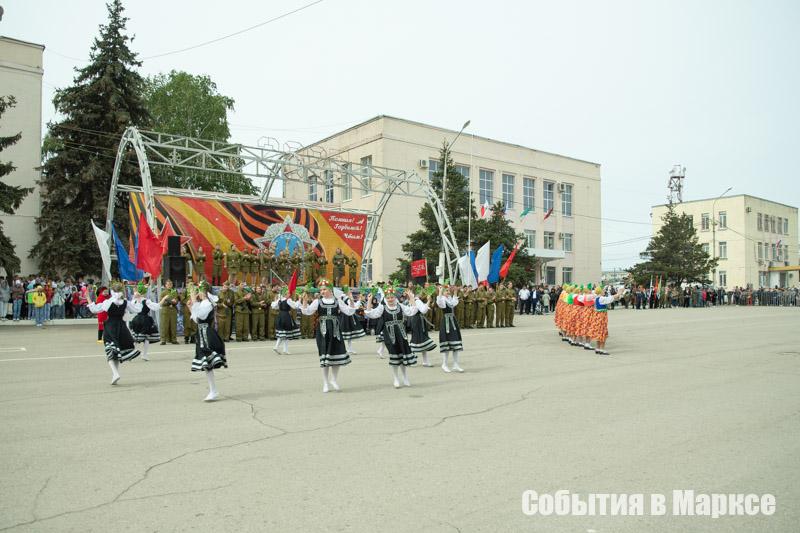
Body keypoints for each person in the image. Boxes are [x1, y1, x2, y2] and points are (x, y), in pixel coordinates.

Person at [300, 280, 357, 393]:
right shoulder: (318, 301)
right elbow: (307, 312)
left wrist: (351, 300)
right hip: (323, 332)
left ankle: (334, 380)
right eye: (321, 290)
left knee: (337, 356)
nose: (322, 291)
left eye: (324, 289)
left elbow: (349, 312)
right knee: (325, 358)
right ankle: (325, 383)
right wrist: (305, 302)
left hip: (336, 332)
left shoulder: (337, 301)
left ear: (330, 290)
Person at [364, 287, 421, 388]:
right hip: (389, 335)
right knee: (394, 355)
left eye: (392, 297)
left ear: (395, 297)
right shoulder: (383, 307)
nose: (390, 299)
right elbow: (371, 314)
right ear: (386, 298)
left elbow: (412, 311)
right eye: (388, 297)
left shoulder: (400, 306)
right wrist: (369, 300)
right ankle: (396, 378)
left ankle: (405, 377)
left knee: (403, 355)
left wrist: (411, 298)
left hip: (401, 334)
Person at [87, 282, 142, 385]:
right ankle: (115, 374)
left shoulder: (109, 302)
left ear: (112, 291)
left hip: (111, 327)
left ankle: (115, 373)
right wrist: (138, 299)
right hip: (121, 327)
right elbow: (137, 309)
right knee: (116, 351)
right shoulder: (125, 302)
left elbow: (95, 309)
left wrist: (88, 298)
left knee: (110, 350)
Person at [188, 281, 227, 401]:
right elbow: (197, 319)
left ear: (203, 292)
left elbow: (202, 316)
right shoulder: (203, 303)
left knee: (207, 363)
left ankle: (213, 391)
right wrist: (190, 307)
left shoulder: (207, 304)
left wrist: (194, 301)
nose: (197, 294)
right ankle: (213, 390)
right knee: (206, 365)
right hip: (201, 334)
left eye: (199, 291)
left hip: (207, 335)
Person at [129, 282, 160, 361]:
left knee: (136, 338)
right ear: (144, 291)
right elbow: (155, 307)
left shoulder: (134, 300)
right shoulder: (146, 301)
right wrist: (161, 303)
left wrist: (134, 296)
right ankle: (144, 354)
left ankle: (131, 354)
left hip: (136, 319)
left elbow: (131, 309)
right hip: (145, 320)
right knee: (146, 338)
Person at [437, 284, 464, 373]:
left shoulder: (449, 299)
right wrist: (440, 292)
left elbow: (454, 303)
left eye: (448, 291)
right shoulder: (443, 300)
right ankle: (444, 364)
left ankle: (455, 364)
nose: (448, 292)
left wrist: (455, 292)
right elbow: (439, 303)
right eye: (446, 291)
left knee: (455, 343)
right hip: (446, 323)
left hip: (453, 321)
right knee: (447, 344)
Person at [408, 287, 437, 366]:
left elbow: (421, 308)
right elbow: (423, 310)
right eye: (420, 292)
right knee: (417, 339)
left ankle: (424, 361)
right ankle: (412, 359)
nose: (421, 294)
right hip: (418, 321)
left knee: (421, 340)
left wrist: (426, 304)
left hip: (415, 320)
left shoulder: (412, 300)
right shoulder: (417, 300)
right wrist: (428, 301)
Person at [271, 287, 301, 354]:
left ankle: (278, 347)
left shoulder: (280, 300)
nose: (289, 295)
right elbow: (295, 306)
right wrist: (299, 300)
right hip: (286, 316)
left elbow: (274, 306)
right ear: (285, 294)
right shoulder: (288, 300)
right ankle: (284, 349)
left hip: (280, 316)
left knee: (282, 333)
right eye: (288, 293)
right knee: (287, 333)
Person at [339, 288, 366, 354]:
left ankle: (349, 348)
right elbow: (355, 307)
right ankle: (347, 348)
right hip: (347, 316)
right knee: (348, 332)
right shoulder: (347, 299)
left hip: (346, 316)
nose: (352, 294)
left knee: (348, 333)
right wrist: (359, 300)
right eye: (350, 292)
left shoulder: (342, 297)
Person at [159, 280, 179, 345]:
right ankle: (163, 340)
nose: (169, 285)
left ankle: (174, 339)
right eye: (168, 284)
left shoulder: (175, 292)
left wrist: (175, 302)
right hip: (165, 310)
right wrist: (169, 302)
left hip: (173, 310)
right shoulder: (163, 293)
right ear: (165, 285)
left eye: (170, 284)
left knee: (173, 326)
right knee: (164, 326)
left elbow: (177, 300)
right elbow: (161, 302)